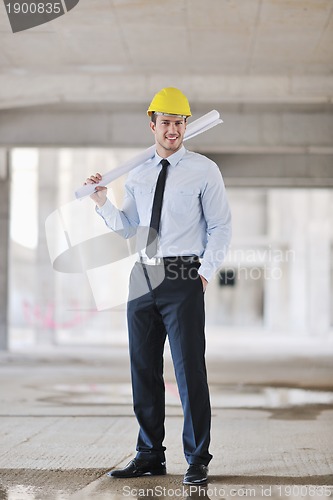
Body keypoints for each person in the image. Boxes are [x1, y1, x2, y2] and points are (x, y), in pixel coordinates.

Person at [85, 87, 231, 485]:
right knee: (143, 368)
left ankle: (197, 458)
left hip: (183, 274)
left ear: (186, 125)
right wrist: (102, 202)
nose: (173, 130)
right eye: (165, 123)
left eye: (179, 122)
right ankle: (149, 454)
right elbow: (129, 229)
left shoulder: (204, 170)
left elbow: (220, 226)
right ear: (152, 124)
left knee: (188, 370)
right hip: (143, 274)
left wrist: (204, 273)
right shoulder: (139, 173)